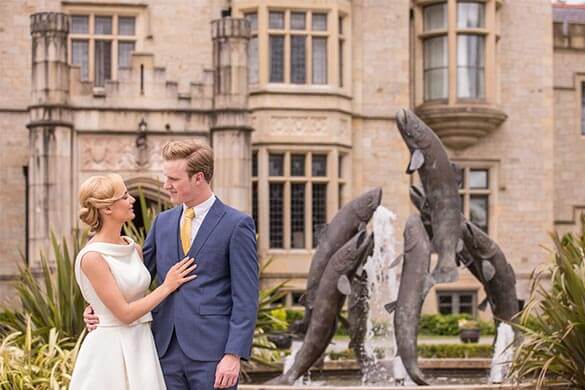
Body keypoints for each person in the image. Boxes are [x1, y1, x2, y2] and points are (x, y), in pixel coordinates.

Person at [84, 140, 259, 390]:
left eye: (174, 179)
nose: (166, 185)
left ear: (198, 178)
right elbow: (135, 276)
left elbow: (246, 296)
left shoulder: (237, 224)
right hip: (162, 351)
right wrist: (97, 307)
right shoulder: (162, 222)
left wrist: (233, 355)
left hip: (213, 356)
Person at [71, 173, 196, 390]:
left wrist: (96, 307)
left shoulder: (134, 248)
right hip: (110, 350)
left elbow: (135, 297)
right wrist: (167, 286)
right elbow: (125, 313)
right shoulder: (92, 257)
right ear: (107, 209)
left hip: (142, 343)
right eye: (125, 196)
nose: (132, 200)